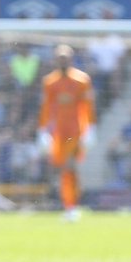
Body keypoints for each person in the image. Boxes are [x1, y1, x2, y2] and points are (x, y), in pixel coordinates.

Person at [38, 44, 96, 219]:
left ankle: (71, 206)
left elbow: (87, 106)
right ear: (55, 60)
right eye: (60, 58)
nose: (63, 61)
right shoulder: (50, 82)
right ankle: (68, 204)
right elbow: (46, 108)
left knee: (68, 166)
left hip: (75, 131)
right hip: (58, 133)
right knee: (62, 169)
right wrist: (42, 129)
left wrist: (90, 128)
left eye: (66, 58)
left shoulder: (81, 81)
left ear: (71, 59)